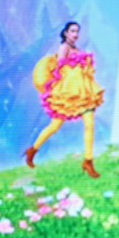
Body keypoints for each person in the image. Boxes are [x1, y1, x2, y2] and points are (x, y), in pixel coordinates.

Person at [26, 20, 105, 178]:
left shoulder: (77, 49)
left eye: (77, 31)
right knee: (55, 126)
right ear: (66, 33)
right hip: (69, 93)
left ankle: (88, 161)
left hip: (84, 92)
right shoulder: (64, 48)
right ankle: (33, 150)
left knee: (90, 124)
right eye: (73, 31)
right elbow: (60, 68)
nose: (76, 34)